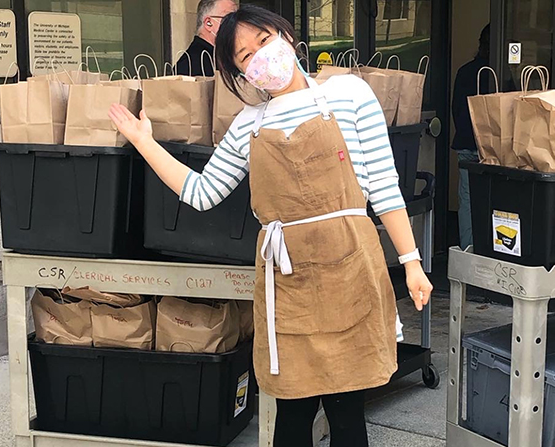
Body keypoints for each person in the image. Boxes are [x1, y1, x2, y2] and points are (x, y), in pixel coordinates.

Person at [109, 5, 433, 446]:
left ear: (284, 33)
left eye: (263, 41)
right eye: (244, 56)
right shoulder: (249, 124)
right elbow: (202, 193)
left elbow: (383, 186)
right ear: (240, 74)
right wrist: (146, 143)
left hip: (351, 272)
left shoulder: (350, 93)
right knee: (293, 415)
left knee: (347, 413)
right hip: (287, 283)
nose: (260, 56)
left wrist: (411, 262)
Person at [452, 24, 490, 249]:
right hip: (494, 149)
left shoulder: (466, 71)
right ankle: (491, 249)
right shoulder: (500, 74)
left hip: (466, 142)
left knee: (467, 201)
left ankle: (467, 249)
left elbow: (456, 109)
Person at [175, 0, 237, 76]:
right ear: (208, 23)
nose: (236, 25)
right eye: (229, 19)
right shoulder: (191, 65)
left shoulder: (222, 55)